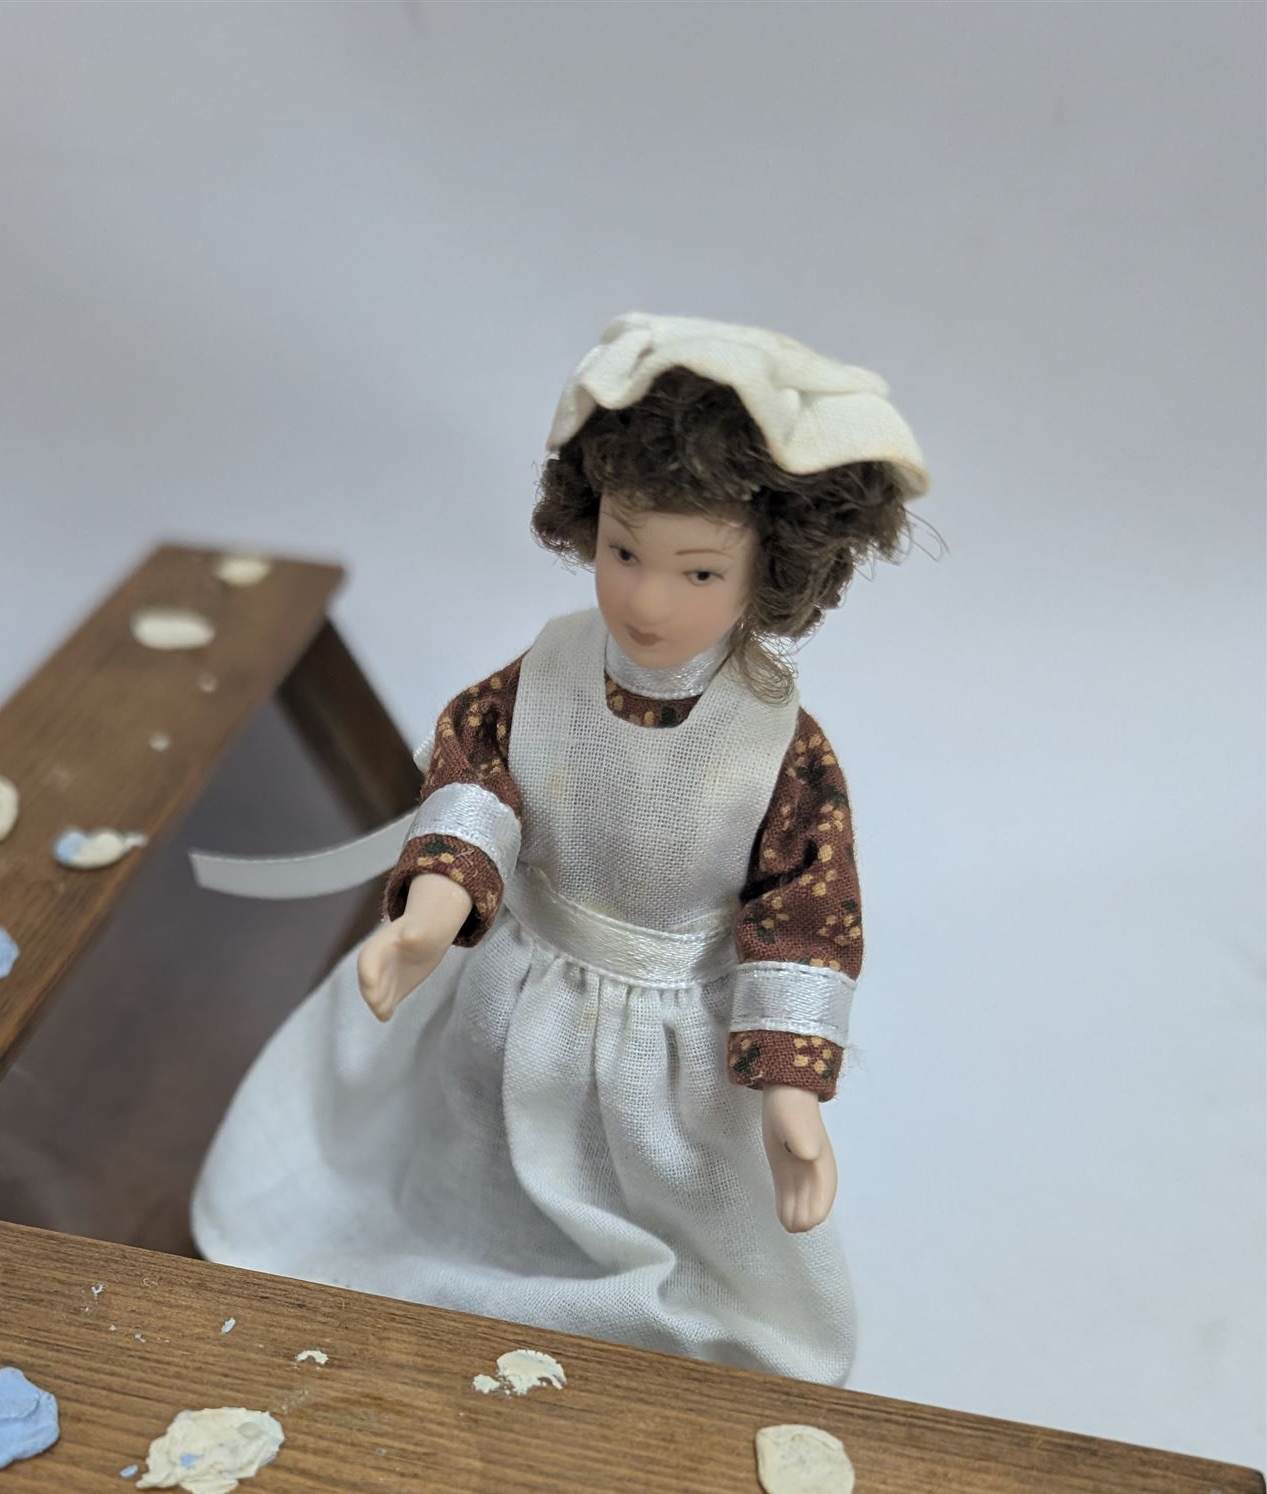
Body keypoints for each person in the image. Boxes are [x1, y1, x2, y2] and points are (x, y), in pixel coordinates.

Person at [192, 315, 927, 1384]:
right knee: (457, 1146)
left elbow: (803, 916)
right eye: (625, 551)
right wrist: (436, 909)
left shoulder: (779, 746)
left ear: (770, 571)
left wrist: (790, 1093)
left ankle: (642, 1332)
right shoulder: (544, 674)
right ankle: (451, 1270)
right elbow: (479, 779)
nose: (644, 598)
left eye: (698, 573)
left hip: (669, 1043)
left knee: (665, 1199)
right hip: (508, 989)